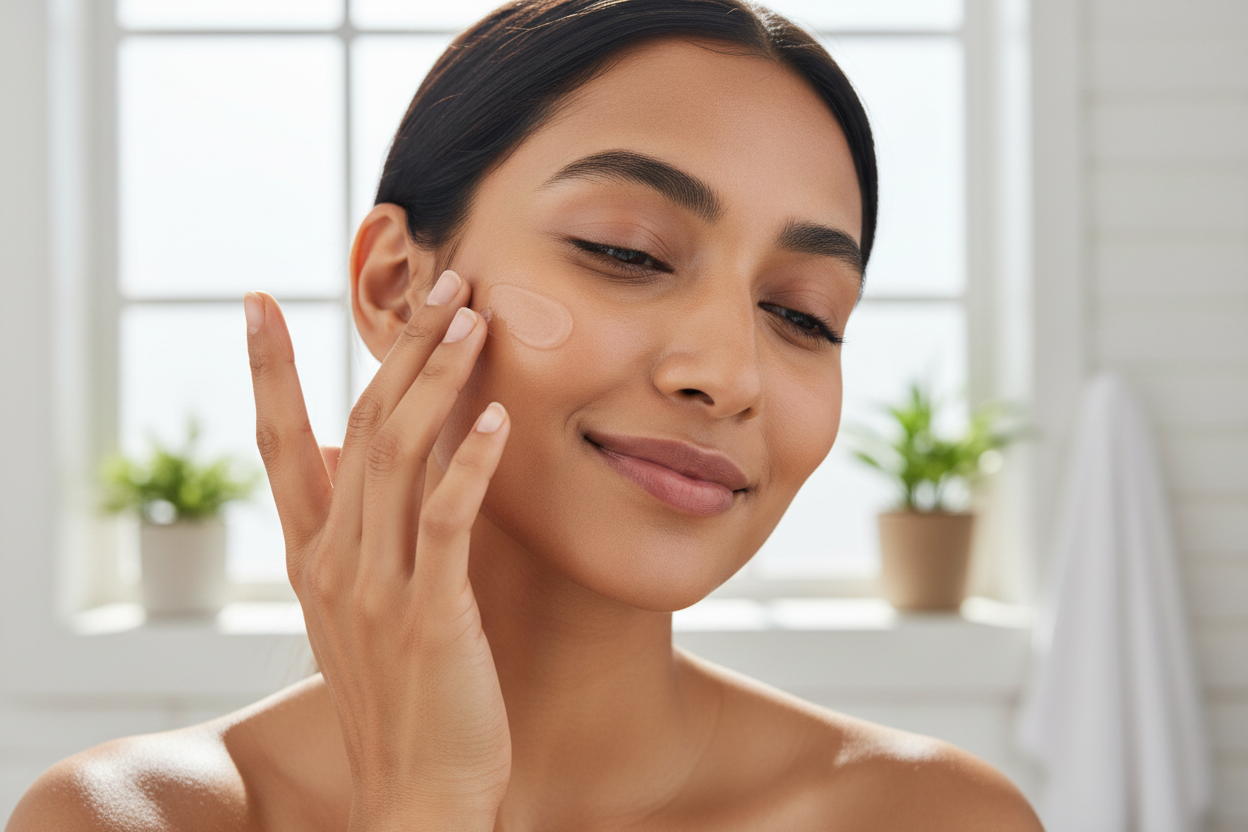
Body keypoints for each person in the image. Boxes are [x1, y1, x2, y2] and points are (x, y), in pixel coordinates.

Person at [9, 1, 1042, 829]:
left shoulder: (931, 815)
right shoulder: (134, 820)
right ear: (396, 286)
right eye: (627, 251)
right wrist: (423, 808)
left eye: (802, 313)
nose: (730, 372)